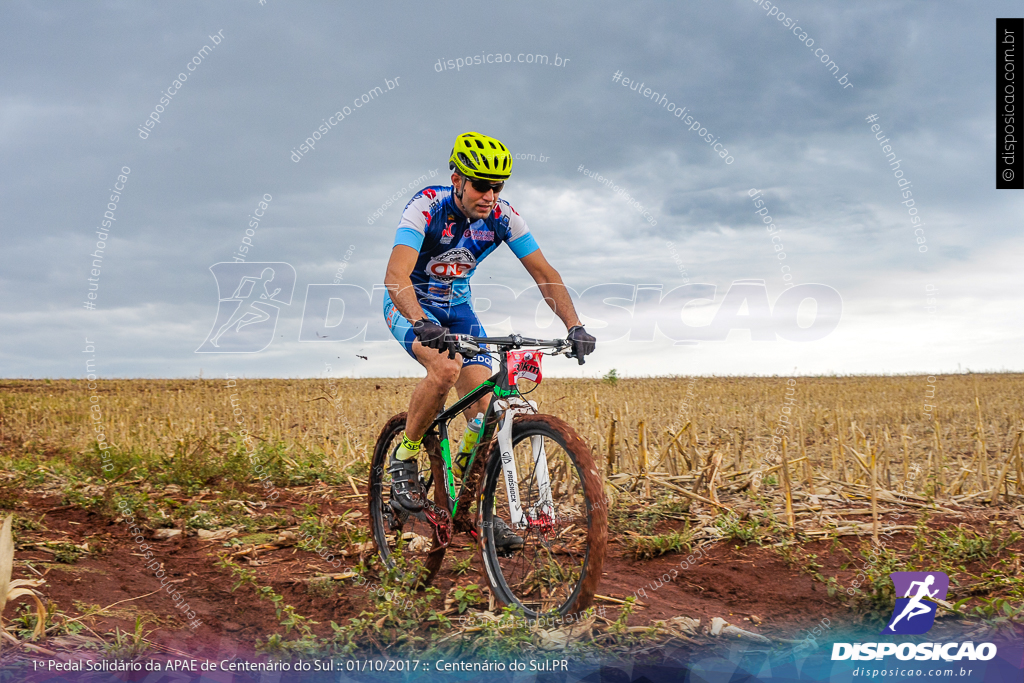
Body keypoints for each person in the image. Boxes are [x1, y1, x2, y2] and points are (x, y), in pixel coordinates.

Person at [382, 132, 596, 551]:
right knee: (445, 369)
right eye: (481, 185)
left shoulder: (504, 216)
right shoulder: (427, 206)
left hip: (459, 313)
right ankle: (404, 457)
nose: (490, 195)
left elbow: (543, 273)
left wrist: (575, 325)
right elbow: (396, 276)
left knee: (489, 411)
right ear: (457, 178)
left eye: (498, 186)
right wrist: (420, 319)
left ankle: (476, 508)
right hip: (412, 306)